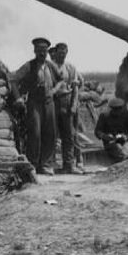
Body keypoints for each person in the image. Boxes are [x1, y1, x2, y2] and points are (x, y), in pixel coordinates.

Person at [10, 37, 64, 176]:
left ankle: (45, 165)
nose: (42, 53)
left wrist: (53, 91)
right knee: (35, 133)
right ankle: (32, 164)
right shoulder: (29, 65)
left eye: (44, 50)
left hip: (49, 102)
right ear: (34, 51)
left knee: (50, 133)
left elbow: (61, 81)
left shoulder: (51, 66)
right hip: (34, 102)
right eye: (39, 50)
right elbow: (14, 80)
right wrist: (18, 98)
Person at [51, 42, 84, 174]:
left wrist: (74, 105)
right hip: (53, 102)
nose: (62, 55)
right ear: (55, 53)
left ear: (67, 53)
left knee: (69, 135)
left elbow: (75, 88)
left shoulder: (70, 67)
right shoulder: (49, 67)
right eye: (59, 52)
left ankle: (69, 165)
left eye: (64, 52)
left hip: (67, 100)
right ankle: (50, 164)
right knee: (51, 134)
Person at [94, 97, 128, 162]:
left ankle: (125, 156)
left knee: (125, 147)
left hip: (124, 141)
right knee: (117, 147)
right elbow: (97, 131)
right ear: (111, 109)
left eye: (119, 109)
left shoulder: (127, 115)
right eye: (115, 109)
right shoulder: (104, 116)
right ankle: (126, 157)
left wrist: (126, 137)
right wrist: (105, 136)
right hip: (110, 142)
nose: (117, 111)